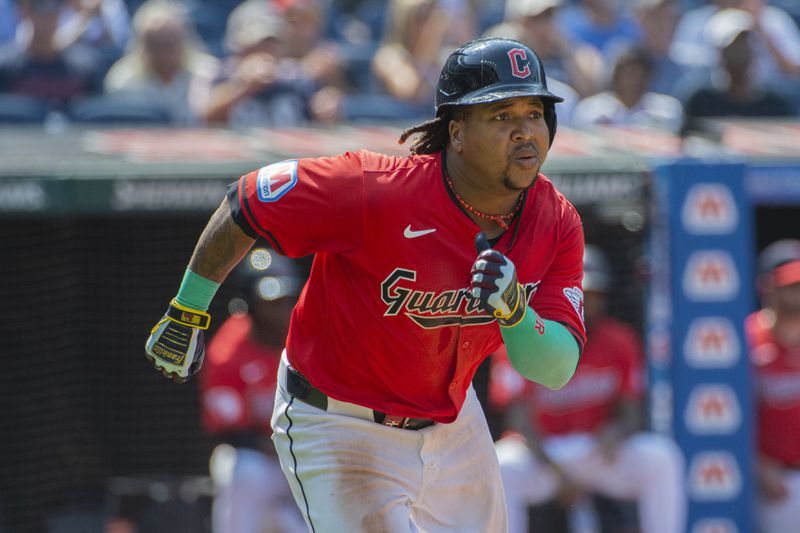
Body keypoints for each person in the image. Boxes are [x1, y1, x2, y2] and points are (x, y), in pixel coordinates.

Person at [145, 37, 586, 532]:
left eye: (535, 113)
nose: (526, 132)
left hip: (454, 423)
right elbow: (246, 202)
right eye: (502, 116)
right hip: (340, 422)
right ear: (457, 132)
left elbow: (555, 369)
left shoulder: (557, 221)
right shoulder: (373, 189)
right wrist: (188, 309)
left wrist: (515, 312)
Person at [492, 244, 686, 533]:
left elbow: (631, 412)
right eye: (580, 293)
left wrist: (615, 433)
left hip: (597, 451)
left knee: (661, 457)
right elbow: (518, 419)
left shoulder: (619, 340)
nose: (585, 302)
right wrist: (559, 475)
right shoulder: (522, 336)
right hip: (544, 455)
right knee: (501, 464)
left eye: (593, 295)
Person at [200, 246, 306, 533]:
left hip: (307, 453)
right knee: (241, 469)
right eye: (271, 301)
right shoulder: (228, 354)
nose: (282, 309)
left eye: (287, 299)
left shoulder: (309, 340)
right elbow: (231, 433)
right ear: (249, 304)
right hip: (264, 459)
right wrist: (283, 448)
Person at [749, 239, 800, 533]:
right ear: (767, 287)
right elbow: (729, 415)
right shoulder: (745, 338)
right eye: (789, 284)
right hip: (770, 479)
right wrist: (756, 464)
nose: (797, 292)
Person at [103, 0, 219, 126]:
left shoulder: (207, 73)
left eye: (170, 43)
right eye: (155, 44)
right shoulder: (123, 80)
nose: (164, 52)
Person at [681, 7, 794, 135]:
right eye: (733, 47)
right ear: (719, 53)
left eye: (745, 44)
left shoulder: (775, 104)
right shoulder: (700, 100)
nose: (740, 53)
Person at [571, 45, 684, 133]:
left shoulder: (666, 109)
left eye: (640, 74)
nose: (634, 81)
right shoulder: (590, 110)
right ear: (616, 76)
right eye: (628, 74)